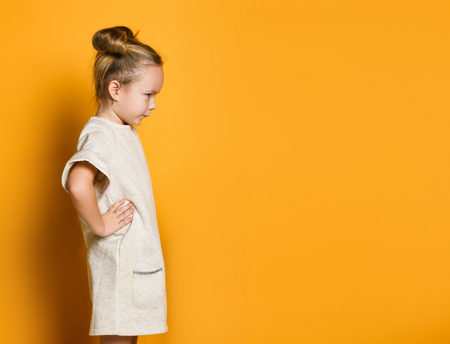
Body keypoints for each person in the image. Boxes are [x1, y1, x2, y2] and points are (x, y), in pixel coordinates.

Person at [61, 26, 167, 344]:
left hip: (134, 268)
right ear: (116, 90)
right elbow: (79, 183)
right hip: (121, 269)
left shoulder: (122, 130)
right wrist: (101, 224)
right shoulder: (102, 135)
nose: (153, 104)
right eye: (148, 94)